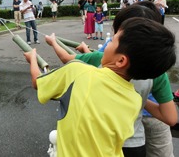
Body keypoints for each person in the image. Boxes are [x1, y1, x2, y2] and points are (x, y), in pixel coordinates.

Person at [24, 17, 176, 156]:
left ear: (121, 61)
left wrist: (32, 58)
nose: (107, 44)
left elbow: (38, 82)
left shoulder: (78, 72)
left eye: (113, 41)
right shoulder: (135, 100)